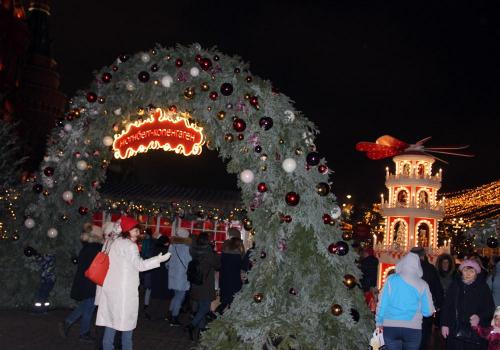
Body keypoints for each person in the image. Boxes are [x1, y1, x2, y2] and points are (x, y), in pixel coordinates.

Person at [95, 216, 171, 350]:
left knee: (110, 324)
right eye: (135, 230)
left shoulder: (114, 242)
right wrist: (158, 260)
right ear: (127, 230)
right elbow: (140, 265)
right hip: (125, 292)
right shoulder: (130, 246)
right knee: (127, 328)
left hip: (111, 288)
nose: (138, 233)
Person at [376, 252, 435, 350]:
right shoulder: (423, 284)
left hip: (390, 327)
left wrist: (379, 322)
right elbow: (428, 312)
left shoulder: (391, 280)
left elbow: (382, 303)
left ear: (402, 263)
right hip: (413, 328)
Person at [60, 223, 103, 342]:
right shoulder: (95, 248)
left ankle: (67, 322)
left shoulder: (88, 247)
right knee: (89, 308)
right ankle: (83, 333)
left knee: (86, 305)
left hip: (86, 282)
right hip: (91, 282)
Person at [441, 259, 495, 350]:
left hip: (475, 332)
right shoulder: (455, 285)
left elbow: (490, 308)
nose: (468, 274)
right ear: (461, 271)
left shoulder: (483, 288)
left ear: (476, 273)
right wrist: (444, 324)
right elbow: (447, 306)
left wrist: (479, 317)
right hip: (455, 330)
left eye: (471, 271)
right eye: (465, 270)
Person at [188, 232, 220, 341]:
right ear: (207, 241)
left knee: (201, 306)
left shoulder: (193, 250)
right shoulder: (209, 253)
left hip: (196, 282)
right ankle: (192, 325)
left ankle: (201, 330)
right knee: (205, 307)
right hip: (205, 284)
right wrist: (214, 250)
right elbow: (218, 265)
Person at [410, 247, 444, 350]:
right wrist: (439, 304)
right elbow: (437, 287)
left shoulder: (407, 269)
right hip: (425, 306)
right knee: (424, 334)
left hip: (409, 307)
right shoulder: (430, 269)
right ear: (423, 256)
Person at [216, 227, 245, 315]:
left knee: (225, 300)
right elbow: (242, 264)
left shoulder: (225, 247)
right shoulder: (240, 249)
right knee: (233, 301)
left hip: (224, 278)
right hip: (235, 279)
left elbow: (220, 263)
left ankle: (216, 315)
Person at [167, 227, 192, 326]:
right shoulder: (186, 248)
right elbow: (189, 261)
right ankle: (174, 317)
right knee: (180, 297)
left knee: (176, 295)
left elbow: (168, 261)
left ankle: (170, 313)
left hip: (173, 274)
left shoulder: (172, 246)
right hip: (182, 275)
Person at [145, 235, 172, 321]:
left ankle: (150, 312)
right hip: (164, 274)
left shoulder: (154, 248)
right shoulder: (166, 250)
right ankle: (160, 314)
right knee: (163, 295)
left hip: (155, 273)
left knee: (155, 294)